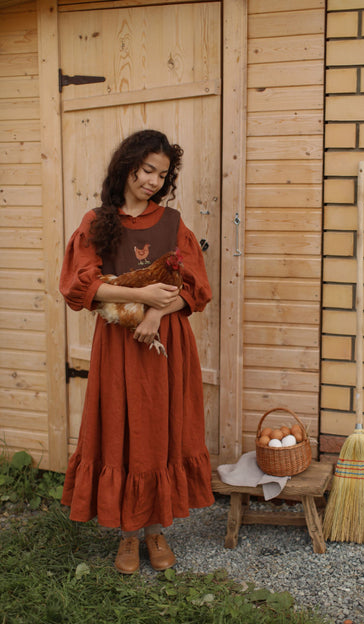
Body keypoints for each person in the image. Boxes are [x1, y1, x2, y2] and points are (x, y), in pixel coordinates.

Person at [59, 129, 215, 574]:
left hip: (167, 348)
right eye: (147, 170)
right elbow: (80, 286)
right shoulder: (97, 222)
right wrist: (146, 298)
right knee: (123, 431)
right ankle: (128, 536)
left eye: (162, 175)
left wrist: (154, 314)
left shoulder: (172, 223)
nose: (153, 181)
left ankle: (155, 529)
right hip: (118, 346)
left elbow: (196, 289)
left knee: (160, 431)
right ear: (127, 166)